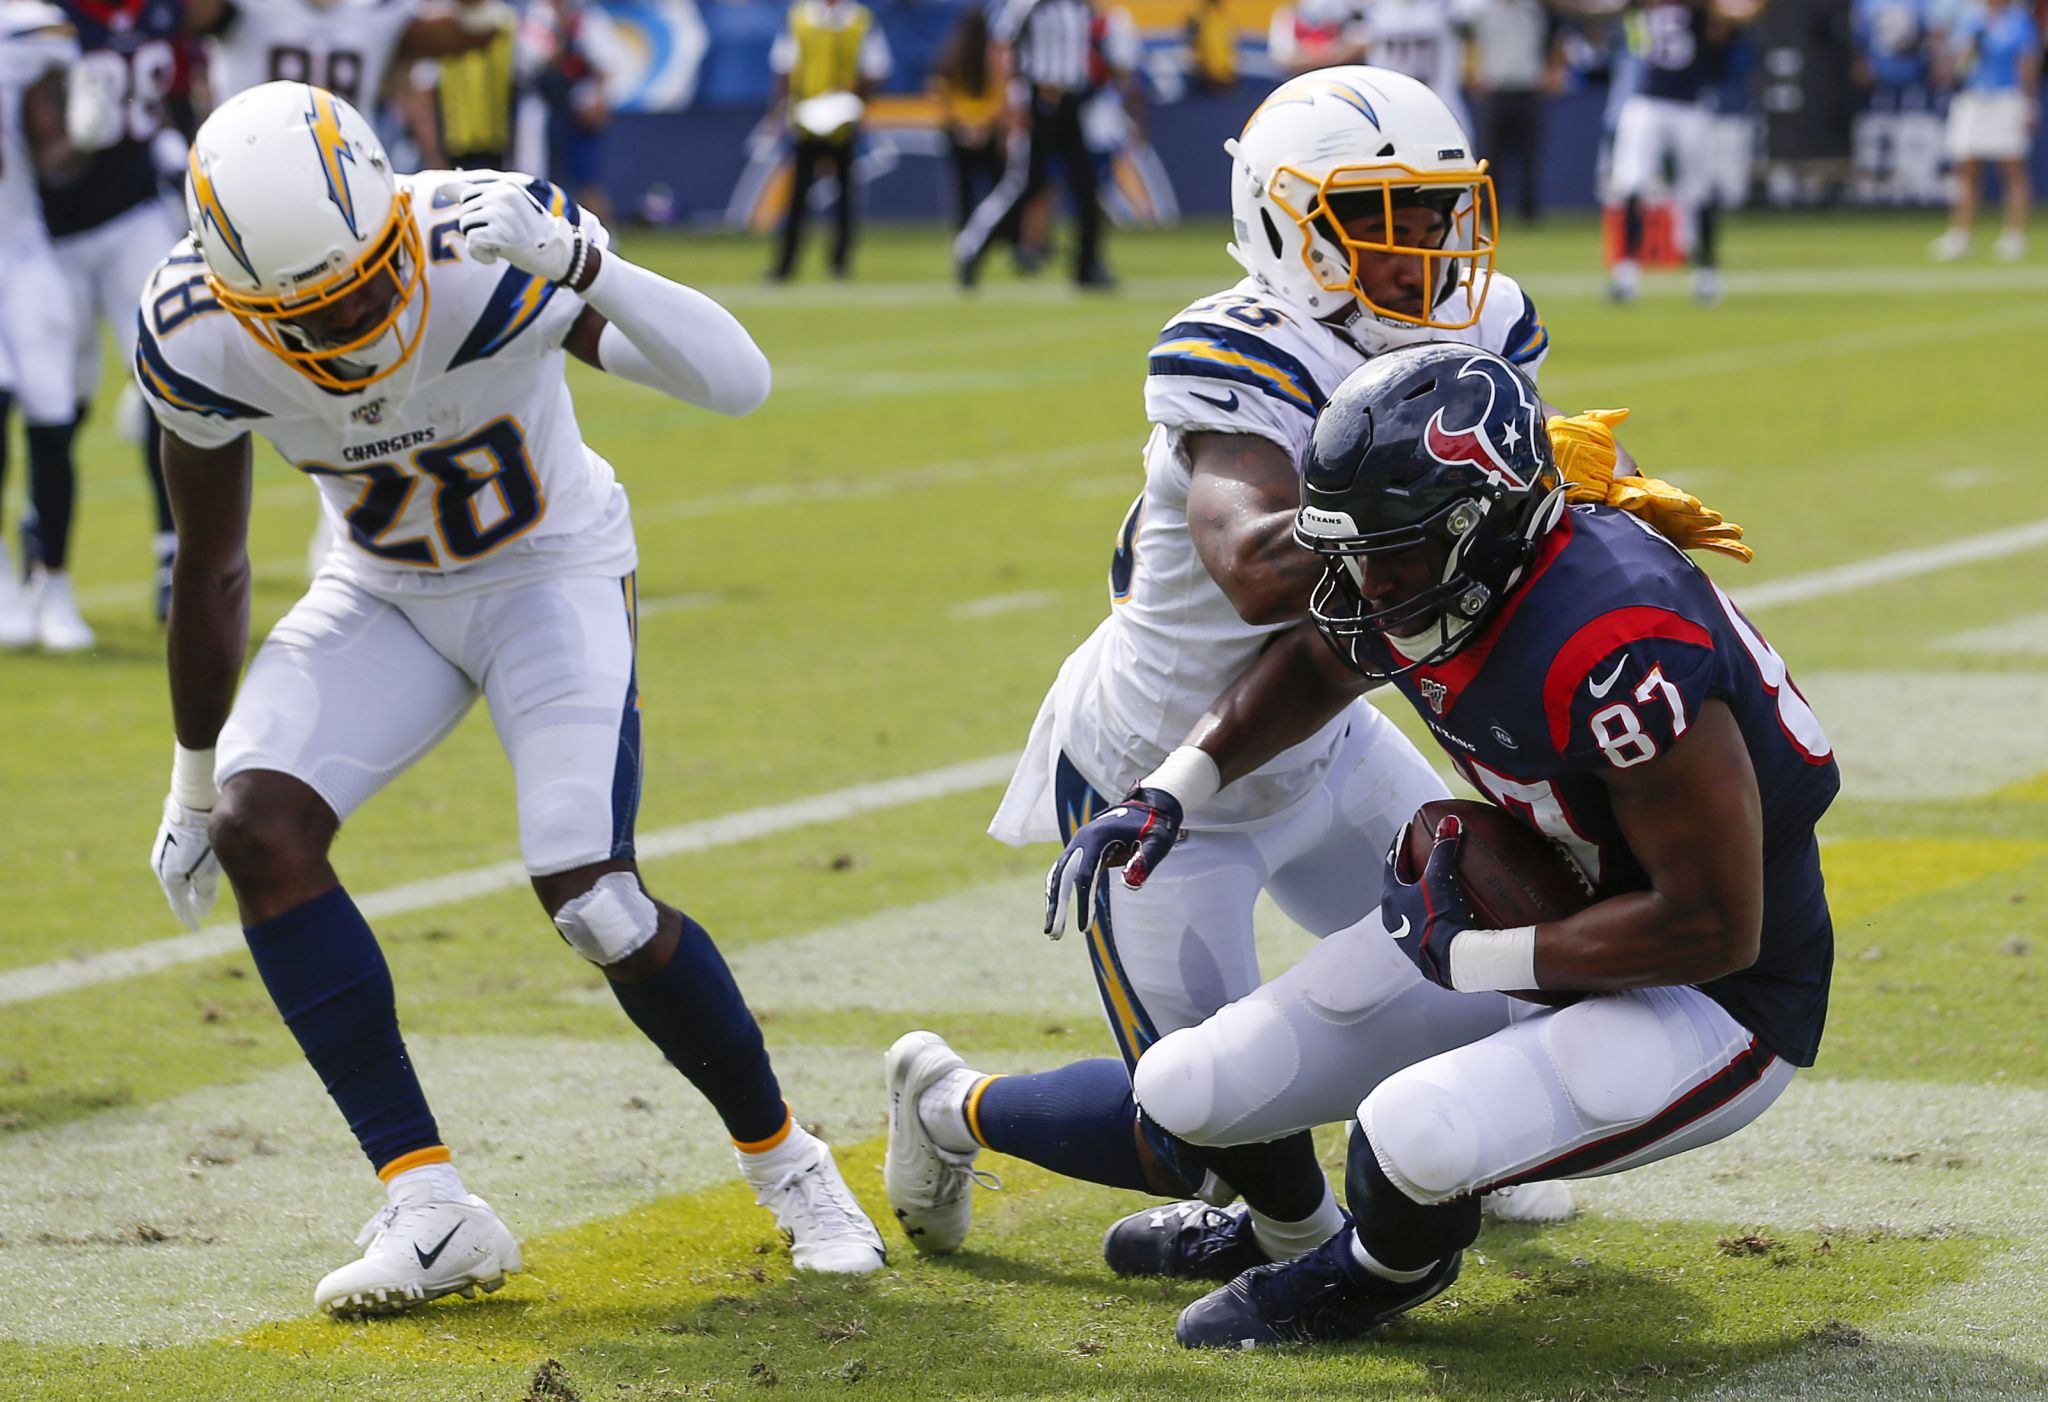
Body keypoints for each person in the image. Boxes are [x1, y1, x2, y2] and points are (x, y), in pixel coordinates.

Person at [140, 80, 887, 1318]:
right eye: (302, 313)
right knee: (256, 828)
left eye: (362, 284)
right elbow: (213, 564)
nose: (346, 329)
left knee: (593, 898)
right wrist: (190, 773)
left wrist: (593, 263)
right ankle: (430, 1205)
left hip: (552, 574)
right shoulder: (193, 332)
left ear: (393, 220)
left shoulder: (484, 249)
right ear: (228, 290)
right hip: (383, 588)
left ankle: (793, 1166)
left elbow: (737, 383)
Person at [884, 68, 1596, 1285]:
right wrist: (1454, 489)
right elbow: (1258, 571)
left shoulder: (1479, 324)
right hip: (1161, 781)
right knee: (1192, 1140)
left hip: (1321, 742)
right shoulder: (1242, 349)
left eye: (1433, 210)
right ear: (1286, 223)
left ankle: (1413, 1165)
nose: (1421, 243)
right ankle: (947, 1104)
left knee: (1513, 956)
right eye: (1381, 214)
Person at [1068, 340, 1835, 1348]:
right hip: (1554, 917)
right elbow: (1313, 659)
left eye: (1392, 553)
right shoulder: (1427, 568)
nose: (1366, 584)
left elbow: (1712, 925)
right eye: (1353, 551)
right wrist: (1174, 783)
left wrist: (1468, 956)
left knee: (1409, 1131)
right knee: (1189, 1085)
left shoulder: (1612, 644)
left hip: (1713, 995)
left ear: (1490, 525)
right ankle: (1284, 1228)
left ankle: (1378, 1269)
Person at [0, 0, 88, 650]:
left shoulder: (23, 26)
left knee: (53, 418)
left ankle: (51, 578)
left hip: (20, 246)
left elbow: (51, 153)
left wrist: (81, 133)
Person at [953, 0, 1111, 288]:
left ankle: (1087, 266)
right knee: (1022, 184)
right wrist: (1011, 103)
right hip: (1037, 101)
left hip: (1071, 101)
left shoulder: (1080, 6)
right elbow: (1000, 48)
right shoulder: (1028, 4)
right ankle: (970, 247)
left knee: (1086, 185)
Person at [1605, 0, 1746, 305]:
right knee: (1631, 185)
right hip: (1648, 100)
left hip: (1690, 103)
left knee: (1700, 190)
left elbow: (1738, 16)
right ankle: (1625, 273)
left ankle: (1707, 273)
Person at [766, 0, 891, 281]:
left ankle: (840, 264)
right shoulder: (799, 17)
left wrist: (852, 102)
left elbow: (877, 67)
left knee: (846, 198)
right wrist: (780, 111)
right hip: (806, 119)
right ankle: (786, 264)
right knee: (798, 197)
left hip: (843, 122)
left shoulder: (860, 19)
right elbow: (784, 67)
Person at [1930, 0, 2038, 261]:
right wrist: (1963, 55)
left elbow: (2027, 63)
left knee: (2012, 168)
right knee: (1966, 168)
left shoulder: (2019, 20)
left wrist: (2028, 103)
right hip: (1973, 98)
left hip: (2006, 98)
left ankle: (2015, 236)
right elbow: (1956, 64)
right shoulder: (1970, 17)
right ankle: (1961, 235)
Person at [1469, 0, 1567, 224]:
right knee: (1490, 158)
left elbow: (1558, 39)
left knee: (1530, 158)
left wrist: (1554, 71)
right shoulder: (1482, 13)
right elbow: (1470, 43)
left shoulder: (1536, 11)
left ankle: (1529, 214)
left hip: (1528, 90)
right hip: (1495, 92)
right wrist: (1472, 72)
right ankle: (1490, 214)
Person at [931, 5, 1005, 232]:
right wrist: (984, 125)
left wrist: (962, 123)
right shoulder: (992, 56)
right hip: (987, 131)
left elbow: (941, 93)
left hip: (959, 131)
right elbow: (1000, 93)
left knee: (964, 189)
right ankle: (996, 233)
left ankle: (964, 232)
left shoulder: (951, 55)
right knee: (997, 187)